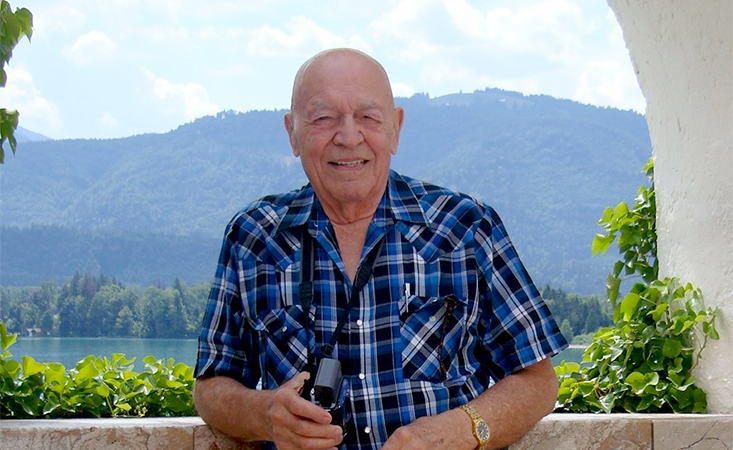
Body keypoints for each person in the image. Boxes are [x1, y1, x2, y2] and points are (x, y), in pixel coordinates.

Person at [194, 48, 568, 450]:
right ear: (292, 133)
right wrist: (266, 414)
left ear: (395, 128)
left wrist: (456, 433)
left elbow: (538, 381)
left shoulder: (465, 225)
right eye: (323, 118)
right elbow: (211, 385)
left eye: (368, 118)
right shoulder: (253, 236)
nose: (348, 137)